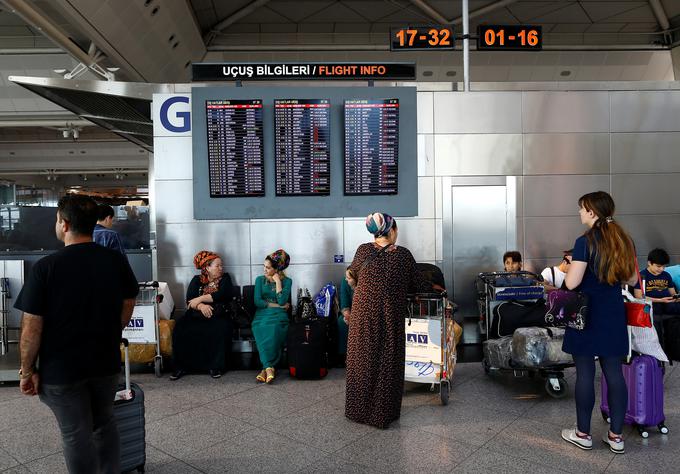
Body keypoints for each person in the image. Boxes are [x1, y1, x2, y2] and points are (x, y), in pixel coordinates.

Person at [14, 194, 138, 474]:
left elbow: (32, 326)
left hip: (62, 369)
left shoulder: (47, 267)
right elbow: (129, 299)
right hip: (105, 362)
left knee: (75, 434)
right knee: (104, 424)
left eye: (57, 219)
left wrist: (26, 370)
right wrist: (113, 328)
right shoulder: (113, 261)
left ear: (64, 223)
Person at [561, 191, 637, 455]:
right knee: (614, 373)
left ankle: (582, 434)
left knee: (584, 373)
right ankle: (616, 437)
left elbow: (571, 283)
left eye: (582, 208)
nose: (580, 212)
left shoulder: (584, 242)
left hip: (586, 313)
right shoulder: (624, 240)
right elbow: (631, 279)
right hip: (614, 312)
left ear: (592, 211)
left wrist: (573, 266)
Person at [345, 212, 428, 429]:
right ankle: (382, 413)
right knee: (387, 360)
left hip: (362, 314)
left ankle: (358, 411)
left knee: (362, 359)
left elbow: (352, 274)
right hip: (389, 314)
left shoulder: (363, 250)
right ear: (392, 231)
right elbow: (419, 286)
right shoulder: (403, 255)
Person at [170, 251, 235, 380]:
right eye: (217, 266)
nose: (221, 268)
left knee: (218, 329)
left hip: (218, 314)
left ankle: (215, 366)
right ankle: (181, 366)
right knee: (181, 328)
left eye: (221, 266)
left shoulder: (225, 278)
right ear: (207, 268)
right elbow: (189, 300)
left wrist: (199, 299)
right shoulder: (196, 280)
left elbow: (223, 294)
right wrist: (201, 306)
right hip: (196, 314)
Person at [252, 249, 292, 384]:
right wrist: (279, 306)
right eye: (264, 266)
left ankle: (266, 369)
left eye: (268, 268)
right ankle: (270, 367)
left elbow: (281, 300)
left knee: (275, 329)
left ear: (277, 269)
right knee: (261, 327)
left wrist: (278, 283)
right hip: (262, 315)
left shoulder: (287, 281)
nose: (264, 270)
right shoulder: (259, 280)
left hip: (279, 316)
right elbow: (258, 302)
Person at [633, 248, 680, 336]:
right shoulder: (641, 276)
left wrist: (676, 298)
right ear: (649, 263)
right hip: (651, 307)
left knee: (675, 327)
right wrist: (660, 300)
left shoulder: (666, 275)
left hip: (668, 306)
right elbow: (638, 297)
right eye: (658, 266)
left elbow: (673, 293)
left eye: (664, 266)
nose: (661, 269)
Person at [337, 267, 356, 363]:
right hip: (351, 313)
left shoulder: (365, 285)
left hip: (362, 314)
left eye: (348, 278)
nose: (346, 279)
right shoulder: (345, 283)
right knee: (341, 321)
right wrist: (347, 315)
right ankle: (344, 355)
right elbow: (344, 304)